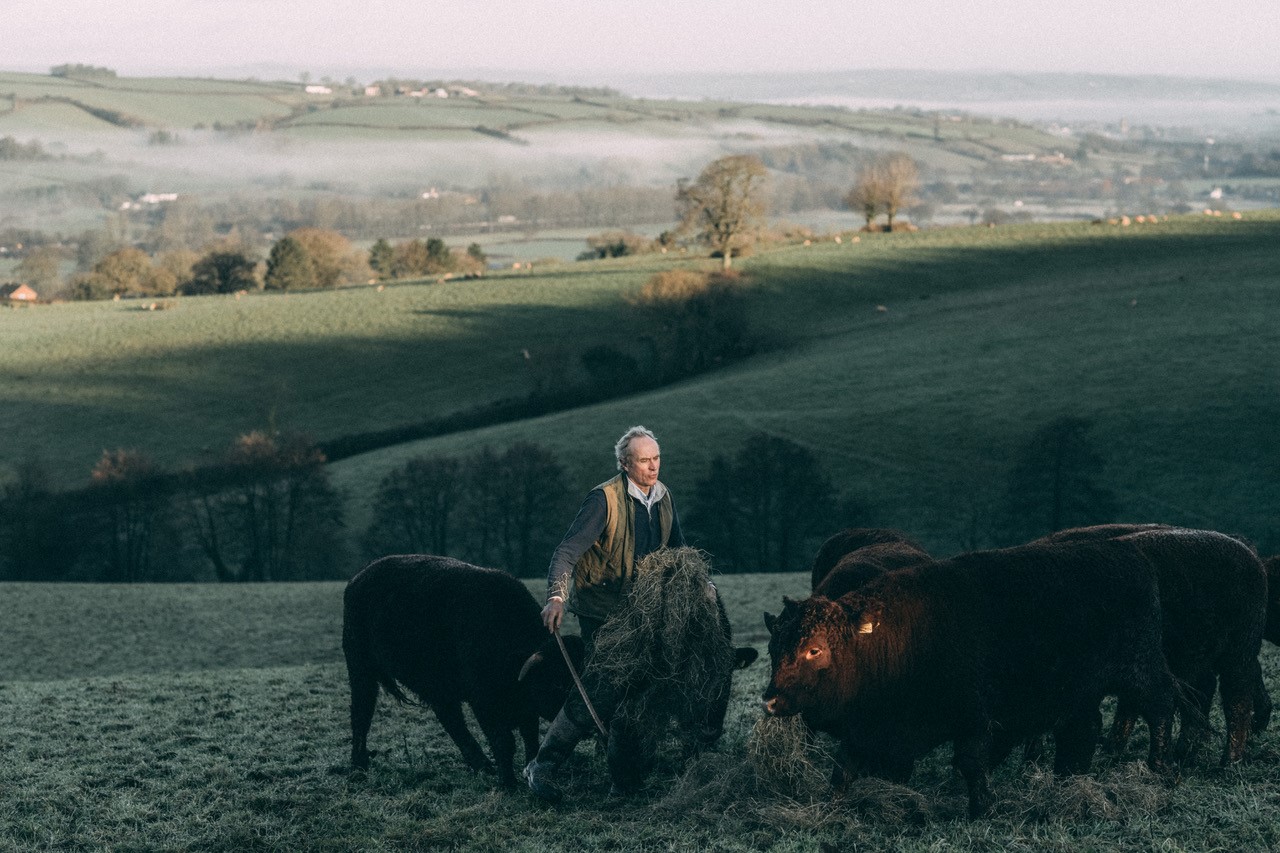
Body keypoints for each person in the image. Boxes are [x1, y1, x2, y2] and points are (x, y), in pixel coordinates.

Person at [524, 425, 686, 802]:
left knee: (640, 687)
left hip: (645, 612)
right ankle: (544, 764)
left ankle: (623, 775)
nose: (652, 466)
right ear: (625, 464)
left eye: (656, 458)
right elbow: (566, 552)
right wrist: (557, 598)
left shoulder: (663, 498)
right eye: (644, 460)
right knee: (603, 686)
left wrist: (702, 586)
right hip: (603, 612)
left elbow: (679, 548)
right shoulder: (603, 500)